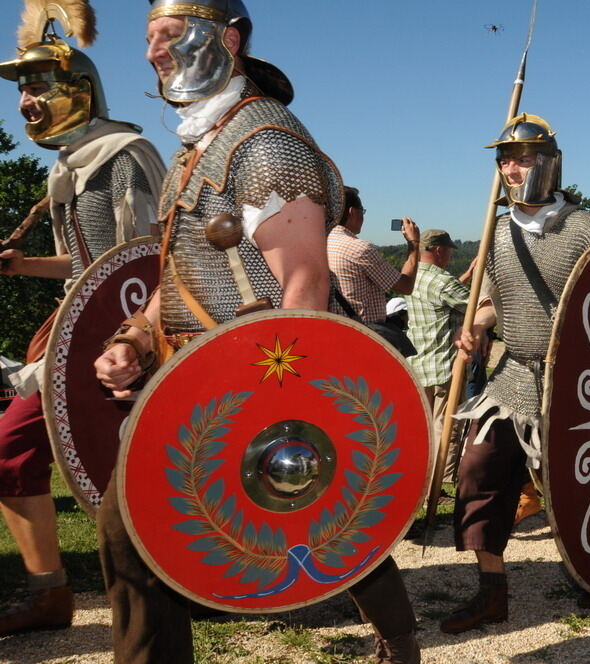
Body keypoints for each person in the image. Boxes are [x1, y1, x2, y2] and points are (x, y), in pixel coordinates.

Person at [92, 2, 419, 662]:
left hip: (262, 379)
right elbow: (182, 277)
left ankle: (402, 642)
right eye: (148, 39)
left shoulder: (264, 144)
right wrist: (134, 338)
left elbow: (302, 288)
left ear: (229, 38)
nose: (153, 52)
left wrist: (267, 409)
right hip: (197, 380)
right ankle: (403, 640)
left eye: (168, 35)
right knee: (135, 531)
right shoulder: (194, 155)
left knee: (325, 518)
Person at [0, 0, 164, 635]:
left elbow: (148, 261)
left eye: (38, 86)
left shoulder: (126, 155)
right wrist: (23, 266)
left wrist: (135, 341)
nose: (26, 102)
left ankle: (191, 576)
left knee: (156, 464)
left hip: (128, 336)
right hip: (77, 332)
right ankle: (50, 591)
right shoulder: (70, 167)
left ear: (78, 90)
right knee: (14, 454)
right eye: (23, 90)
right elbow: (83, 265)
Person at [441, 113, 590, 633]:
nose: (512, 169)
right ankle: (492, 591)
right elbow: (493, 303)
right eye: (505, 160)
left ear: (549, 164)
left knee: (579, 488)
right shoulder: (496, 229)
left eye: (523, 158)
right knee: (477, 473)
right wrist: (479, 329)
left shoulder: (585, 227)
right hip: (513, 378)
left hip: (577, 382)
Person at [403, 230, 473, 486]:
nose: (450, 256)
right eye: (450, 251)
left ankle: (420, 477)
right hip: (444, 363)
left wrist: (464, 277)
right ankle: (441, 481)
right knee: (446, 427)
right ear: (440, 250)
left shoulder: (411, 275)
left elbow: (441, 299)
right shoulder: (442, 280)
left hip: (418, 362)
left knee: (423, 428)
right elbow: (473, 305)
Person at [327, 186, 420, 324]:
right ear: (352, 212)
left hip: (337, 328)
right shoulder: (360, 249)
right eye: (362, 211)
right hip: (364, 334)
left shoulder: (322, 243)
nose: (363, 216)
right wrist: (414, 244)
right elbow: (405, 286)